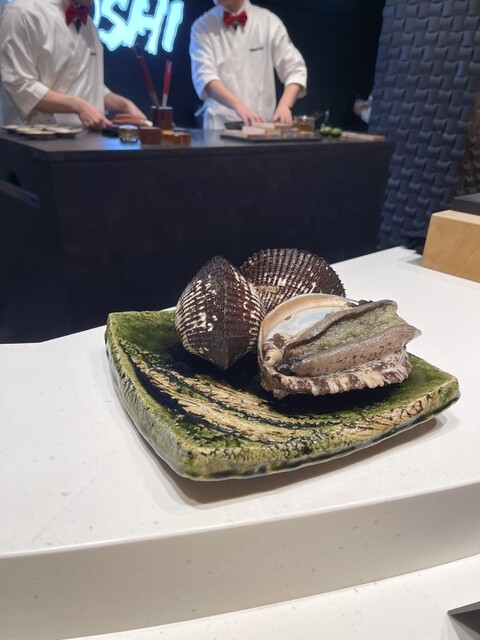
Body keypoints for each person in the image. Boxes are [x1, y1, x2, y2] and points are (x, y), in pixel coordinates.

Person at [0, 0, 145, 129]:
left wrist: (124, 105)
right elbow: (18, 84)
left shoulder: (89, 26)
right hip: (33, 140)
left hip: (87, 140)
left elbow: (86, 84)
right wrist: (78, 105)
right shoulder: (22, 13)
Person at [190, 0, 307, 129]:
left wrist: (285, 105)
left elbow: (296, 69)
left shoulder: (268, 21)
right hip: (218, 127)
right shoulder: (202, 26)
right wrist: (239, 106)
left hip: (262, 126)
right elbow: (205, 77)